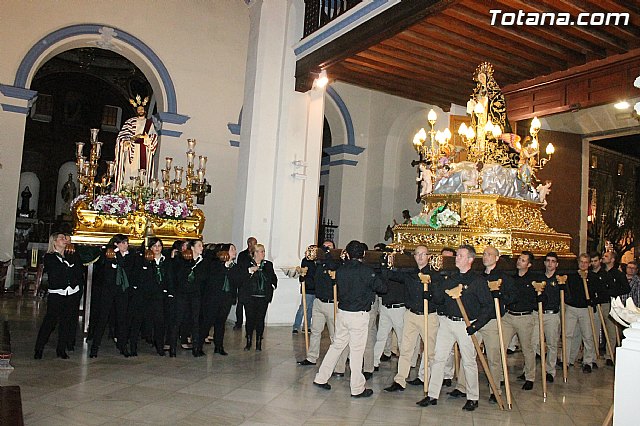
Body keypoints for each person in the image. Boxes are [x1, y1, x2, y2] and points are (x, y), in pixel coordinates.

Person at [419, 245, 492, 411]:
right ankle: (432, 394)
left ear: (470, 260)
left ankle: (472, 397)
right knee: (439, 358)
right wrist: (430, 292)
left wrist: (476, 325)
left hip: (466, 324)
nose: (457, 258)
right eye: (457, 255)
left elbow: (488, 306)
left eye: (460, 256)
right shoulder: (451, 278)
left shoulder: (477, 281)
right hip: (447, 323)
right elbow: (439, 299)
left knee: (469, 362)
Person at [313, 240, 386, 398]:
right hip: (358, 315)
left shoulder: (341, 269)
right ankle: (357, 388)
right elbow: (382, 288)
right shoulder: (367, 271)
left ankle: (321, 377)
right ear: (363, 254)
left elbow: (336, 268)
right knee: (357, 352)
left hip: (343, 313)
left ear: (347, 253)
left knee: (336, 346)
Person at [383, 245, 440, 392]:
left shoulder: (435, 274)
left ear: (429, 256)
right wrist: (385, 263)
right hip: (411, 315)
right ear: (414, 256)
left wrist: (431, 293)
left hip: (428, 316)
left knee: (429, 351)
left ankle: (427, 379)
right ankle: (400, 379)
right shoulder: (410, 273)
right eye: (417, 254)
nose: (420, 257)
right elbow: (392, 275)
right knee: (406, 348)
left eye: (423, 254)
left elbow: (441, 296)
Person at [297, 240, 348, 375]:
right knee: (315, 331)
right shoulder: (318, 264)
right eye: (324, 247)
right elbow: (312, 279)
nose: (326, 249)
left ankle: (339, 366)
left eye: (329, 248)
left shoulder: (338, 262)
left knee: (335, 336)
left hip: (333, 303)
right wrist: (303, 277)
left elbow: (336, 272)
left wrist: (328, 256)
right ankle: (312, 357)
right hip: (319, 302)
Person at [34, 232, 83, 359]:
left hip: (71, 293)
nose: (64, 240)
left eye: (65, 238)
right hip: (57, 294)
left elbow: (78, 271)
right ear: (55, 242)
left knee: (66, 322)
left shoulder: (72, 255)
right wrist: (68, 267)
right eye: (61, 238)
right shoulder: (49, 257)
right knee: (50, 322)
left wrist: (71, 261)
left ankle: (61, 349)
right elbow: (57, 272)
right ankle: (39, 348)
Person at [90, 234, 138, 358]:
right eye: (123, 243)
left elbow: (129, 268)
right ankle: (94, 347)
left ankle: (123, 346)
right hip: (109, 291)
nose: (126, 245)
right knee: (103, 318)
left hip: (122, 291)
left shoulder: (130, 255)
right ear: (116, 244)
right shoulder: (109, 254)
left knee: (122, 319)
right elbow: (103, 270)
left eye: (127, 243)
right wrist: (113, 253)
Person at [477, 245, 514, 403]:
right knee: (470, 354)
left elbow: (513, 296)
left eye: (490, 254)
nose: (486, 257)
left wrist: (501, 296)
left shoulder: (504, 277)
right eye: (484, 254)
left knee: (494, 357)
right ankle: (463, 386)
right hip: (477, 320)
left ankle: (495, 389)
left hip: (493, 320)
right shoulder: (478, 277)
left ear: (497, 258)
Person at [501, 251, 538, 390]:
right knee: (501, 346)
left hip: (525, 317)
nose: (519, 262)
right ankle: (499, 376)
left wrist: (539, 298)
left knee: (527, 348)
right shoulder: (511, 279)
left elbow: (539, 297)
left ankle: (529, 377)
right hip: (509, 316)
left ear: (528, 264)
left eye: (523, 260)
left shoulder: (533, 280)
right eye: (519, 259)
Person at [172, 239, 210, 357]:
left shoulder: (204, 262)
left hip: (195, 294)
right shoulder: (183, 260)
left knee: (195, 321)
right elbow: (177, 275)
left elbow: (203, 277)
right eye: (199, 246)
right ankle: (172, 348)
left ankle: (196, 347)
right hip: (182, 294)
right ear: (192, 248)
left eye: (202, 246)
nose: (202, 248)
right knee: (177, 320)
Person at [136, 237, 173, 356]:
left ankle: (160, 346)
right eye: (155, 246)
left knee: (160, 321)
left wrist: (169, 291)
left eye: (159, 246)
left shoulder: (166, 261)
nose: (157, 248)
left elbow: (170, 277)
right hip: (148, 295)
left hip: (161, 295)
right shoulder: (146, 260)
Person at [114, 95, 158, 191]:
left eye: (142, 109)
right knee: (129, 173)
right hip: (131, 151)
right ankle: (125, 190)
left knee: (142, 174)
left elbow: (154, 137)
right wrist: (126, 142)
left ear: (145, 110)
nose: (140, 111)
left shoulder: (150, 124)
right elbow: (122, 135)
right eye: (139, 109)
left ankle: (142, 191)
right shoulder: (130, 122)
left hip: (144, 151)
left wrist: (147, 139)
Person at [239, 243, 277, 351]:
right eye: (261, 251)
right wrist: (250, 271)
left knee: (260, 319)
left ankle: (259, 342)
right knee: (250, 319)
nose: (263, 253)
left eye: (264, 251)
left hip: (263, 297)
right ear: (255, 253)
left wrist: (272, 286)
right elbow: (242, 278)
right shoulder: (247, 264)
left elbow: (273, 278)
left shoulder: (268, 265)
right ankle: (249, 341)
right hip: (250, 296)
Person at [203, 243, 239, 355]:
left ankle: (219, 346)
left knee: (220, 323)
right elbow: (214, 280)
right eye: (232, 249)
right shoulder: (215, 265)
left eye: (235, 249)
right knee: (207, 322)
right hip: (214, 298)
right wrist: (225, 266)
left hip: (226, 298)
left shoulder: (235, 266)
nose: (235, 251)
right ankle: (198, 345)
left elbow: (237, 281)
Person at [531, 252, 561, 383]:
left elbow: (567, 297)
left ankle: (550, 371)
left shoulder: (559, 279)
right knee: (532, 343)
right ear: (544, 263)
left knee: (552, 344)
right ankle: (529, 372)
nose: (550, 263)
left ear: (556, 264)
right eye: (548, 260)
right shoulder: (538, 278)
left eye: (553, 261)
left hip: (552, 315)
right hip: (538, 314)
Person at [565, 253, 598, 373]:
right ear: (578, 263)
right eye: (581, 262)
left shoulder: (593, 277)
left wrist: (592, 301)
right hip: (572, 308)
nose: (583, 264)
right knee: (568, 335)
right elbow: (568, 292)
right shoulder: (572, 277)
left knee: (588, 336)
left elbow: (597, 293)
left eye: (586, 262)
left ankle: (588, 361)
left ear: (589, 264)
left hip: (586, 309)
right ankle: (567, 360)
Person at [599, 250, 630, 365]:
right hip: (599, 303)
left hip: (611, 303)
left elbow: (626, 288)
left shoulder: (618, 274)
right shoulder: (600, 272)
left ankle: (609, 355)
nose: (603, 257)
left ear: (612, 260)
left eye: (606, 256)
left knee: (611, 331)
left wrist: (611, 292)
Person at [292, 245, 317, 334]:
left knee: (310, 308)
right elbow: (304, 272)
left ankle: (307, 326)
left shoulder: (318, 261)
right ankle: (296, 326)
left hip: (315, 288)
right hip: (308, 287)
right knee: (303, 307)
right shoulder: (306, 261)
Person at [234, 236, 257, 330]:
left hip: (253, 283)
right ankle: (238, 322)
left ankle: (252, 323)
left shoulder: (256, 254)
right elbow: (240, 268)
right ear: (249, 244)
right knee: (240, 303)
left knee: (252, 305)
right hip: (243, 282)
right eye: (253, 243)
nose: (254, 245)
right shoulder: (242, 255)